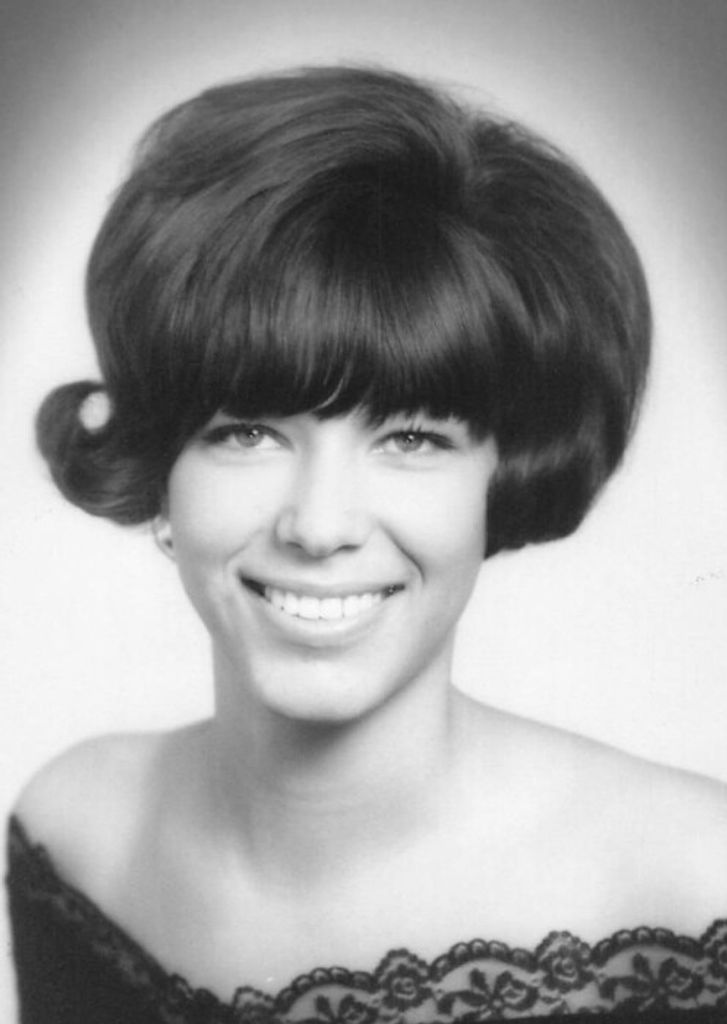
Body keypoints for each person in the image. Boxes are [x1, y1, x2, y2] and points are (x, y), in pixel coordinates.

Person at [6, 66, 727, 1024]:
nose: (320, 525)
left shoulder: (695, 892)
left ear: (502, 477)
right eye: (246, 432)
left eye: (411, 439)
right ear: (158, 466)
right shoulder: (76, 833)